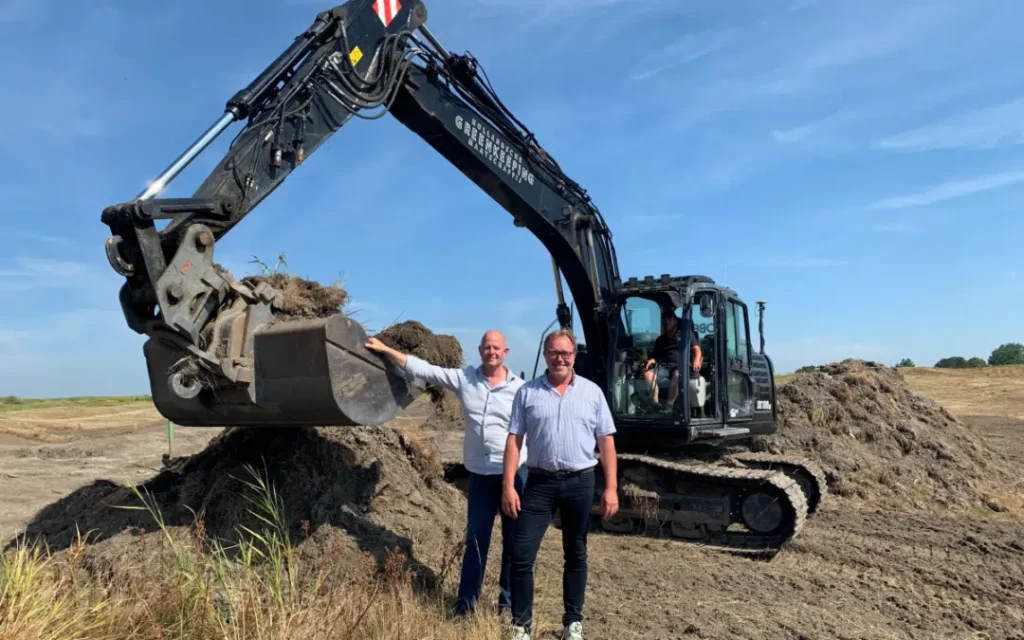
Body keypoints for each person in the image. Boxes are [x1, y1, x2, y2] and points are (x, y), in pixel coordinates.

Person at [365, 330, 528, 617]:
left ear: (506, 352)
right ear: (480, 351)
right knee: (476, 541)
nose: (491, 352)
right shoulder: (465, 379)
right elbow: (426, 369)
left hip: (514, 475)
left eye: (497, 348)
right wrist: (386, 350)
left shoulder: (521, 389)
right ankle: (465, 606)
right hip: (480, 476)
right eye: (487, 347)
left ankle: (508, 605)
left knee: (514, 542)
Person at [500, 329, 618, 640]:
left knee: (576, 553)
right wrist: (509, 486)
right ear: (546, 354)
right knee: (522, 553)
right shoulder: (528, 393)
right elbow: (514, 440)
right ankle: (521, 626)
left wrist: (611, 488)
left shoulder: (592, 393)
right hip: (540, 483)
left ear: (574, 356)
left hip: (580, 482)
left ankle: (572, 623)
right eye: (554, 352)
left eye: (565, 353)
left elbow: (605, 442)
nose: (560, 358)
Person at [642, 310, 703, 411]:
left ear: (675, 320)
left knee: (677, 375)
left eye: (669, 319)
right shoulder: (660, 340)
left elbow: (696, 348)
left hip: (682, 366)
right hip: (665, 367)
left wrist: (696, 360)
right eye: (664, 320)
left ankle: (669, 406)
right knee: (647, 374)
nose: (667, 322)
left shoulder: (686, 334)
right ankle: (655, 404)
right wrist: (652, 360)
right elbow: (656, 357)